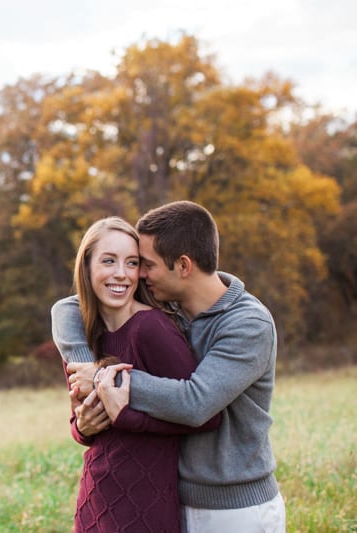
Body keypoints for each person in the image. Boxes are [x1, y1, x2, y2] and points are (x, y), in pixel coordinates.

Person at [53, 201, 286, 533]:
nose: (138, 275)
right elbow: (70, 305)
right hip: (176, 497)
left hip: (235, 507)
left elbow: (195, 404)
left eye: (144, 264)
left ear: (183, 266)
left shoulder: (248, 323)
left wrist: (107, 380)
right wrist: (85, 415)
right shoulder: (172, 307)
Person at [59, 216, 221, 533]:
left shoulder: (151, 328)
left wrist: (128, 417)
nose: (121, 273)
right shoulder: (85, 334)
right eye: (109, 261)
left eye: (132, 263)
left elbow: (206, 417)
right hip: (95, 499)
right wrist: (81, 428)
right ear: (87, 267)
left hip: (146, 508)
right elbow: (83, 425)